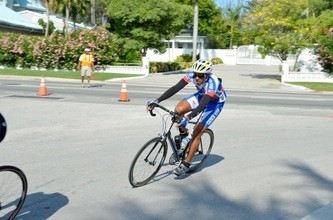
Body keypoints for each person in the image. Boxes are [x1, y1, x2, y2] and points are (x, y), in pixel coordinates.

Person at [147, 59, 227, 176]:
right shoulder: (192, 75)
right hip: (201, 96)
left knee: (197, 133)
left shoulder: (213, 82)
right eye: (195, 74)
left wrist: (188, 118)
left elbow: (203, 105)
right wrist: (157, 100)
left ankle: (186, 163)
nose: (197, 78)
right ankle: (184, 137)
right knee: (178, 110)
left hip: (214, 103)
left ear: (207, 75)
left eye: (200, 76)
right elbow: (176, 88)